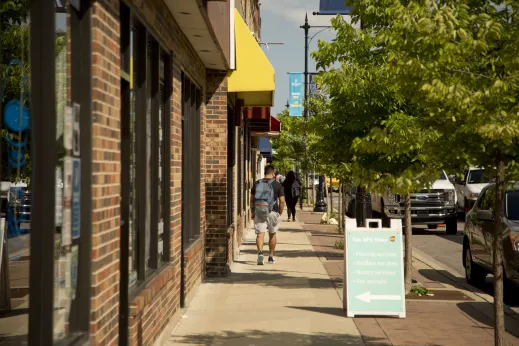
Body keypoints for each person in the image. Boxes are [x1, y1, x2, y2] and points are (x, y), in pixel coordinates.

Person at [251, 165, 285, 265]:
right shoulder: (278, 185)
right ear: (273, 173)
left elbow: (252, 199)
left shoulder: (257, 183)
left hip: (259, 210)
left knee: (260, 234)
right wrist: (280, 212)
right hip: (272, 211)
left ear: (264, 172)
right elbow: (282, 201)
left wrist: (252, 211)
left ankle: (260, 254)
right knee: (272, 234)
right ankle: (270, 257)